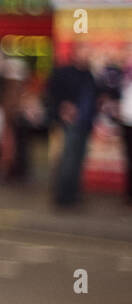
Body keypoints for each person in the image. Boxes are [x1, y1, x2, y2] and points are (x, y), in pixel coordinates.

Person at [45, 42, 99, 208]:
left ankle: (73, 194)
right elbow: (52, 93)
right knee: (67, 160)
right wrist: (62, 108)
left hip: (84, 123)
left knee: (78, 160)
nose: (86, 55)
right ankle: (63, 196)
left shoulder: (89, 74)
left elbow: (94, 97)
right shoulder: (64, 72)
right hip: (69, 123)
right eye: (84, 50)